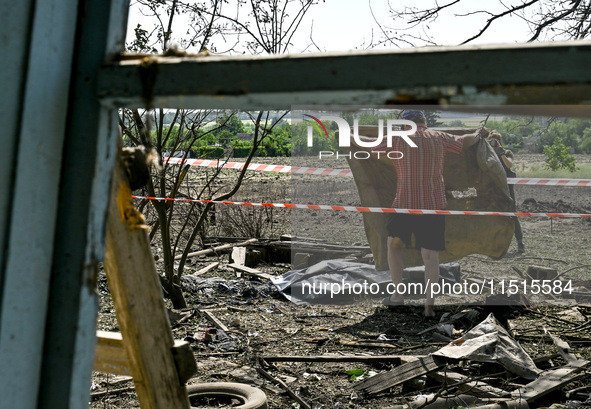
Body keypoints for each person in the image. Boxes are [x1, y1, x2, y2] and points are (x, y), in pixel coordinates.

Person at [353, 110, 488, 318]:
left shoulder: (396, 139)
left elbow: (367, 144)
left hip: (404, 205)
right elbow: (465, 141)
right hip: (432, 206)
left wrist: (350, 135)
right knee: (430, 256)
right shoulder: (439, 137)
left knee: (393, 246)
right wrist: (478, 133)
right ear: (424, 121)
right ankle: (429, 306)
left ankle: (398, 296)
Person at [488, 130, 525, 253]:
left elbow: (509, 165)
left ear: (500, 142)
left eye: (496, 141)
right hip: (493, 187)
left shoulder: (507, 152)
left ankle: (520, 242)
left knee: (512, 214)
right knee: (493, 215)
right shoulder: (487, 153)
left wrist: (501, 152)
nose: (493, 143)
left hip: (507, 188)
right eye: (491, 140)